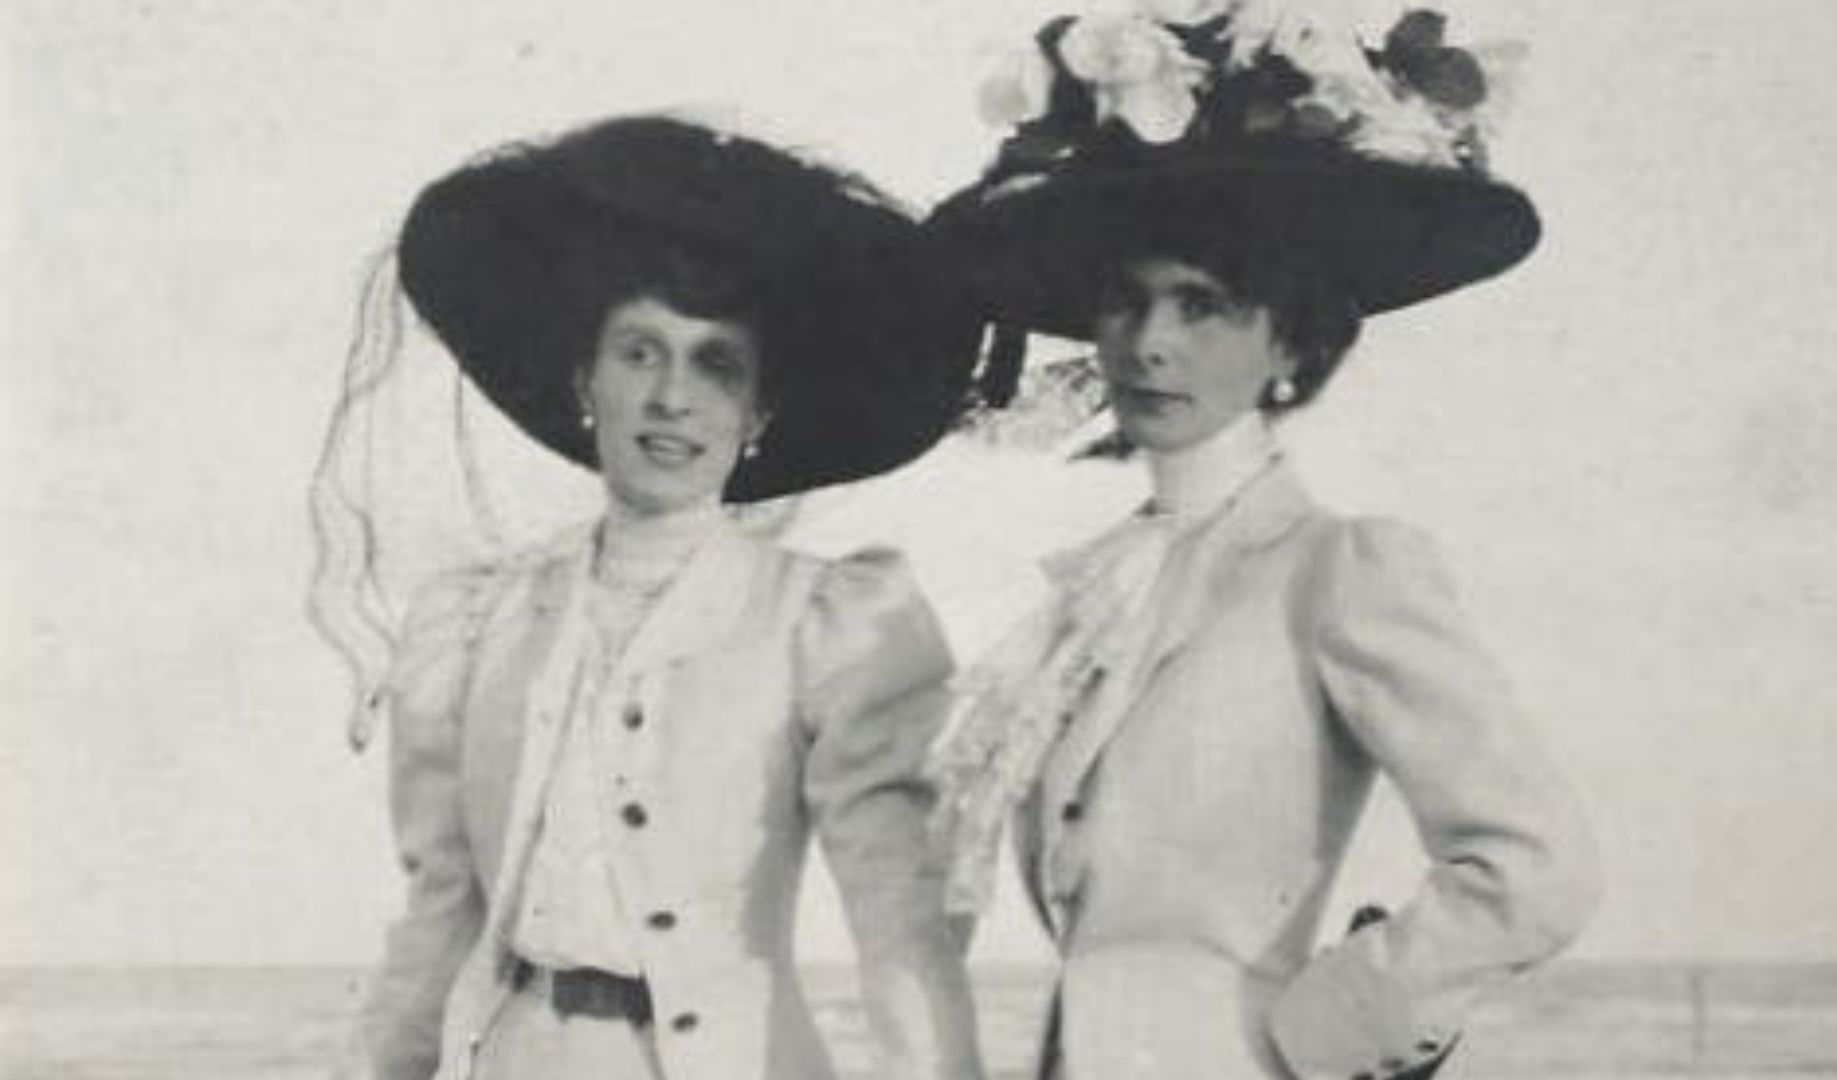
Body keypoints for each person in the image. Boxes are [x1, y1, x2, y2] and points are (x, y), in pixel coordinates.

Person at [920, 6, 1602, 1080]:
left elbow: (1535, 868)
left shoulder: (1338, 569)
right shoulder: (1095, 590)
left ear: (1289, 341)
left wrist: (1313, 1037)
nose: (1151, 342)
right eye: (1127, 302)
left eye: (1205, 307)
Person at [324, 116, 987, 1080]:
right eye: (641, 352)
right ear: (583, 381)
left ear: (758, 415)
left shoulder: (832, 628)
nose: (674, 398)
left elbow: (902, 933)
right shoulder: (475, 625)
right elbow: (438, 923)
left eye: (716, 364)